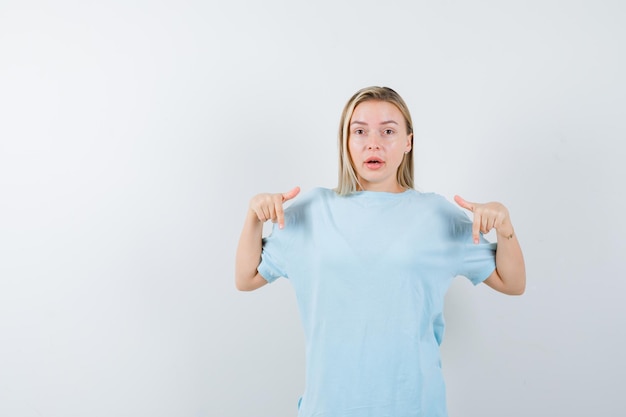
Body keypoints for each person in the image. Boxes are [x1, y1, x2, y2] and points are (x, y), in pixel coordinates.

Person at [235, 86, 526, 417]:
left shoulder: (437, 216)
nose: (373, 143)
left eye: (388, 131)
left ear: (408, 142)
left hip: (415, 407)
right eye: (359, 131)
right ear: (346, 142)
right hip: (330, 408)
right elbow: (246, 277)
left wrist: (505, 228)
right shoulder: (311, 212)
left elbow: (511, 282)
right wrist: (253, 218)